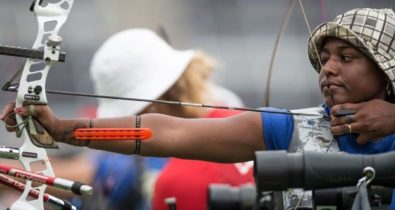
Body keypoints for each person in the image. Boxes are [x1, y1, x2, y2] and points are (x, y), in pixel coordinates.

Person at [2, 8, 395, 209]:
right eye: (324, 59)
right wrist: (66, 129)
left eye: (346, 57)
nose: (328, 68)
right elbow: (168, 132)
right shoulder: (291, 128)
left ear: (386, 71)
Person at [83, 28, 253, 210]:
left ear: (152, 107)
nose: (126, 131)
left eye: (132, 120)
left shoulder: (172, 184)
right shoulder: (249, 123)